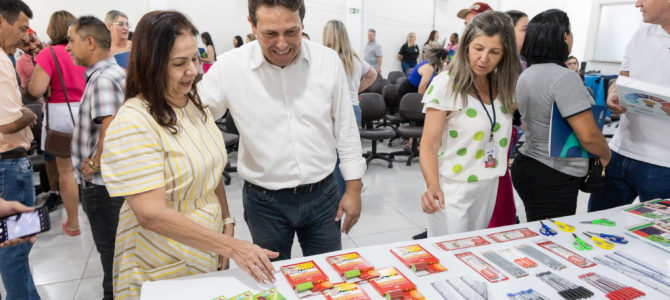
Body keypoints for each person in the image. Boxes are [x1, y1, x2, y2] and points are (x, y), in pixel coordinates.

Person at [100, 11, 278, 300]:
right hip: (158, 256)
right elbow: (152, 215)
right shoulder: (134, 122)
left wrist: (227, 221)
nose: (193, 71)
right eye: (179, 64)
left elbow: (210, 169)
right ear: (151, 65)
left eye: (195, 59)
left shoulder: (193, 105)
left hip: (204, 245)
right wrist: (230, 247)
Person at [199, 0, 366, 260]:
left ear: (302, 24)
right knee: (272, 279)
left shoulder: (327, 61)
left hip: (323, 195)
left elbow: (346, 130)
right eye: (270, 34)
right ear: (252, 26)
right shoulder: (230, 67)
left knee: (329, 273)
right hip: (265, 202)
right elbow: (193, 116)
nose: (282, 43)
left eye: (291, 32)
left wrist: (353, 189)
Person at [419, 11, 520, 236]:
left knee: (474, 253)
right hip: (453, 187)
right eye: (478, 48)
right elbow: (429, 145)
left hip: (488, 183)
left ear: (505, 55)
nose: (484, 58)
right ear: (466, 46)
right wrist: (431, 185)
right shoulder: (446, 84)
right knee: (450, 255)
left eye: (495, 52)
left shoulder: (502, 88)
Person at [512, 9, 611, 221]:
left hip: (528, 162)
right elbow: (589, 136)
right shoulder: (564, 77)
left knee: (539, 230)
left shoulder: (527, 74)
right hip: (554, 172)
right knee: (552, 238)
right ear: (564, 36)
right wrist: (606, 154)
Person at [589, 0, 670, 211]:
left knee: (657, 238)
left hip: (663, 165)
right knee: (595, 226)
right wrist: (614, 91)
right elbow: (622, 78)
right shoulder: (641, 34)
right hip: (620, 151)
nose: (637, 4)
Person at [66, 15, 126, 300]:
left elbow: (109, 125)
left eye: (71, 41)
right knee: (114, 250)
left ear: (90, 42)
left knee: (111, 252)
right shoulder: (109, 74)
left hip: (103, 186)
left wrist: (94, 163)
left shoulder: (103, 79)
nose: (67, 48)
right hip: (107, 184)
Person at [28, 10, 85, 236]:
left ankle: (73, 223)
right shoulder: (82, 49)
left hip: (61, 113)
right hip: (87, 110)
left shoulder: (47, 54)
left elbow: (36, 90)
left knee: (65, 172)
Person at [0, 1, 41, 299]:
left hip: (8, 165)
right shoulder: (1, 59)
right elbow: (9, 122)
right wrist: (29, 115)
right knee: (16, 249)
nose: (25, 36)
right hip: (9, 166)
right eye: (21, 27)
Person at [323, 19, 376, 197]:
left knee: (336, 156)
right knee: (349, 153)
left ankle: (342, 192)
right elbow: (373, 75)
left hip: (334, 110)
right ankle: (352, 185)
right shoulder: (355, 58)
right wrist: (356, 90)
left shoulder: (327, 58)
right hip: (354, 107)